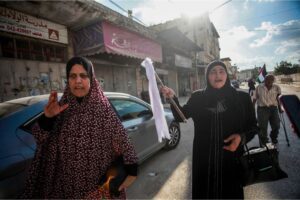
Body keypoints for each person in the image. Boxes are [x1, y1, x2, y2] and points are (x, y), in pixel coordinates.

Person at [22, 57, 138, 199]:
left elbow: (125, 144)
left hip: (98, 192)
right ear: (68, 80)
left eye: (83, 76)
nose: (78, 81)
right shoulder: (61, 108)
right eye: (73, 76)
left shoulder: (104, 111)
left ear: (91, 79)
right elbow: (40, 138)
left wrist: (132, 172)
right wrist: (48, 118)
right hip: (64, 191)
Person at [161, 60, 258, 199]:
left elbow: (253, 126)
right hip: (204, 162)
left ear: (226, 75)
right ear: (207, 76)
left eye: (221, 71)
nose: (217, 75)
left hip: (232, 161)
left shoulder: (241, 98)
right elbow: (180, 116)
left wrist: (241, 138)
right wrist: (173, 98)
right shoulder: (198, 97)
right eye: (212, 72)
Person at [253, 74, 282, 146]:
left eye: (271, 80)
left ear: (273, 80)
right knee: (262, 127)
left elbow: (278, 98)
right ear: (264, 80)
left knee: (276, 125)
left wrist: (280, 107)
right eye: (267, 79)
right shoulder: (259, 87)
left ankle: (273, 137)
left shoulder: (276, 87)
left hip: (273, 108)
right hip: (262, 109)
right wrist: (252, 109)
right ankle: (264, 141)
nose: (269, 81)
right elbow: (254, 98)